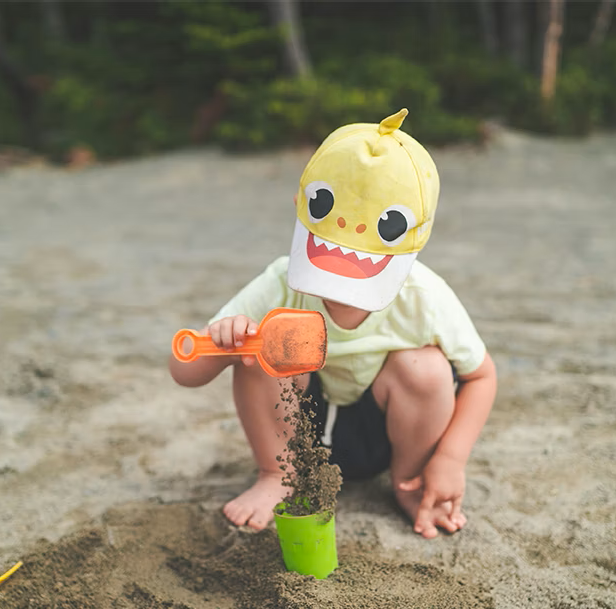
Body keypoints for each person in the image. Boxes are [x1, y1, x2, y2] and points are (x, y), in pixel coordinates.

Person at [169, 109, 497, 539]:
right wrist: (227, 344)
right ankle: (277, 475)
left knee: (428, 367)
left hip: (387, 436)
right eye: (327, 276)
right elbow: (184, 372)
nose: (339, 295)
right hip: (299, 436)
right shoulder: (280, 282)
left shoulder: (425, 297)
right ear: (300, 211)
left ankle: (410, 484)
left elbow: (482, 376)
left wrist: (450, 460)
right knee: (259, 349)